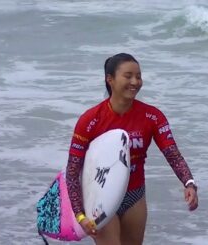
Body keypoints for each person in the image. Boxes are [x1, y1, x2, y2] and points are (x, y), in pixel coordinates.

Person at [66, 53, 198, 245]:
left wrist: (189, 183)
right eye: (128, 76)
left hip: (134, 195)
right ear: (109, 79)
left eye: (138, 76)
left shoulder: (152, 116)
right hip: (102, 196)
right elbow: (72, 171)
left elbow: (172, 154)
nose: (135, 81)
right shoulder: (90, 120)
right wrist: (80, 215)